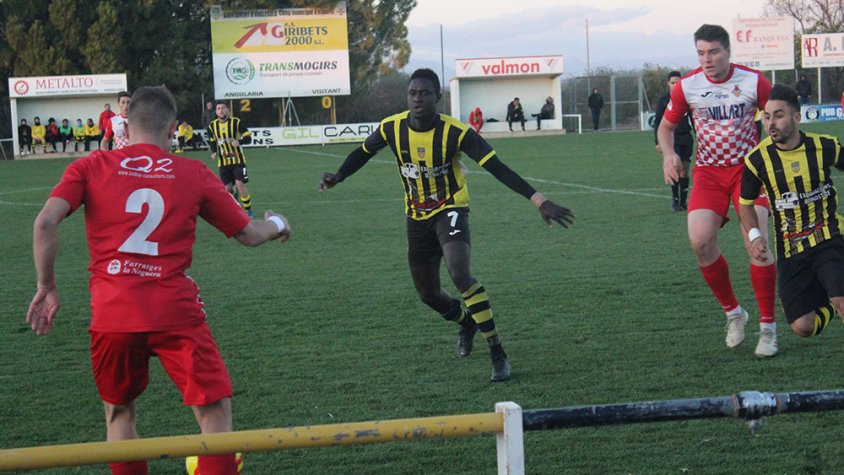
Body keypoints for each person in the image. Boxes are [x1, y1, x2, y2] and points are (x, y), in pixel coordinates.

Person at [26, 86, 291, 475]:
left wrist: (46, 286)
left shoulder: (90, 166)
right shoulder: (192, 171)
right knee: (214, 412)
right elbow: (249, 234)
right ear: (172, 132)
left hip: (112, 314)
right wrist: (280, 222)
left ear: (126, 128)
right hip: (175, 313)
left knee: (120, 415)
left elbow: (45, 221)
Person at [318, 68, 574, 382]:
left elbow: (497, 167)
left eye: (425, 93)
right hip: (416, 215)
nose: (417, 98)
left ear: (437, 98)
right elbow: (363, 152)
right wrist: (338, 175)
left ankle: (497, 351)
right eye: (413, 93)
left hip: (450, 207)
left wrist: (539, 200)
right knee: (427, 293)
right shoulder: (392, 128)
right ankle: (466, 322)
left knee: (459, 272)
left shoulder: (456, 132)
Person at [658, 24, 778, 357]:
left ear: (727, 51)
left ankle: (768, 328)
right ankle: (734, 313)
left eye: (713, 52)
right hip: (709, 174)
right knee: (699, 241)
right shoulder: (687, 86)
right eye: (701, 53)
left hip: (749, 173)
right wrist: (669, 155)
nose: (707, 59)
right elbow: (666, 127)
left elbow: (777, 118)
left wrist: (775, 153)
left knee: (757, 244)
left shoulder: (754, 81)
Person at [739, 84, 844, 340]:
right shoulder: (756, 160)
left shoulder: (825, 146)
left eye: (779, 115)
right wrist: (754, 235)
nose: (770, 122)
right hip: (791, 250)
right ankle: (829, 302)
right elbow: (745, 203)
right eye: (766, 116)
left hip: (829, 238)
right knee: (803, 326)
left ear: (796, 117)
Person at [654, 71, 694, 211]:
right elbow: (658, 122)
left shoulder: (687, 99)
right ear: (668, 84)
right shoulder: (664, 101)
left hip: (686, 137)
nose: (676, 85)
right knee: (675, 167)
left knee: (685, 169)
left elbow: (694, 119)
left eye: (678, 82)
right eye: (673, 83)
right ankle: (675, 200)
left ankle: (683, 202)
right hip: (672, 138)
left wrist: (699, 136)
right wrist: (657, 142)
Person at [207, 102, 255, 217]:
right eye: (218, 108)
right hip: (223, 162)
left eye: (223, 108)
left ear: (227, 110)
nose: (221, 110)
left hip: (238, 159)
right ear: (216, 112)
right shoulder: (212, 126)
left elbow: (249, 137)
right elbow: (212, 141)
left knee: (240, 184)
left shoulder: (236, 122)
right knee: (227, 189)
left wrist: (240, 141)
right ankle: (235, 204)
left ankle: (248, 210)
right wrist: (214, 152)